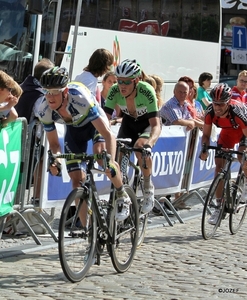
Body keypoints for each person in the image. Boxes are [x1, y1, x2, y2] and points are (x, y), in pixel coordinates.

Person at [38, 66, 130, 223]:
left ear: (65, 91)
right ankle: (87, 231)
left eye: (55, 92)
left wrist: (111, 160)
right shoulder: (44, 109)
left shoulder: (80, 98)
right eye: (47, 92)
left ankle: (122, 194)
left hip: (94, 125)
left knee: (102, 158)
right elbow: (54, 143)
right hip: (74, 132)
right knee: (76, 181)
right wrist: (56, 160)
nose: (50, 97)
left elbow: (107, 134)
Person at [104, 59, 161, 214]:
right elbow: (104, 119)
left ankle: (148, 187)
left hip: (146, 123)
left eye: (127, 82)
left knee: (139, 147)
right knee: (116, 154)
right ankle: (121, 194)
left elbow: (156, 125)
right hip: (129, 123)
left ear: (136, 81)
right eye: (119, 80)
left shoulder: (146, 90)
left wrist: (149, 144)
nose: (122, 85)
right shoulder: (115, 91)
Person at [199, 83, 247, 225]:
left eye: (221, 104)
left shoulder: (237, 111)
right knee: (219, 167)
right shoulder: (210, 112)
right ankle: (219, 206)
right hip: (227, 133)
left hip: (243, 131)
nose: (217, 107)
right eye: (215, 103)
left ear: (228, 102)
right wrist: (204, 149)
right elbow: (206, 135)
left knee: (242, 156)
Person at [15, 58, 55, 202]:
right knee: (22, 175)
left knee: (40, 160)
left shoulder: (24, 86)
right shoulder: (39, 94)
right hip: (28, 139)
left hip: (17, 136)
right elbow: (43, 114)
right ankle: (35, 199)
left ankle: (35, 198)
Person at [160, 81, 195, 210]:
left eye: (185, 92)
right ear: (174, 92)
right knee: (167, 173)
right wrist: (190, 123)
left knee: (177, 171)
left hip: (177, 146)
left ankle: (176, 200)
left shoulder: (184, 104)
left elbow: (190, 119)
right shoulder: (170, 105)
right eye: (180, 92)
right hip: (166, 145)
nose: (182, 94)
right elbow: (177, 121)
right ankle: (164, 203)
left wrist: (202, 125)